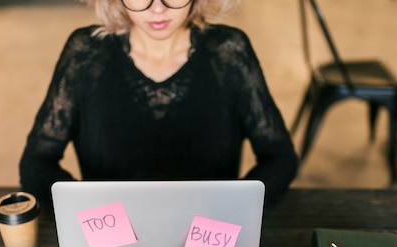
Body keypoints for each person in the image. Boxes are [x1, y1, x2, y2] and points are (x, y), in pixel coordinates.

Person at [19, 0, 298, 207]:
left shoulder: (229, 51)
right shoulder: (86, 53)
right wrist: (88, 219)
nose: (157, 9)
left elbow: (279, 157)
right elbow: (36, 162)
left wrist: (233, 214)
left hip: (208, 242)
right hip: (111, 244)